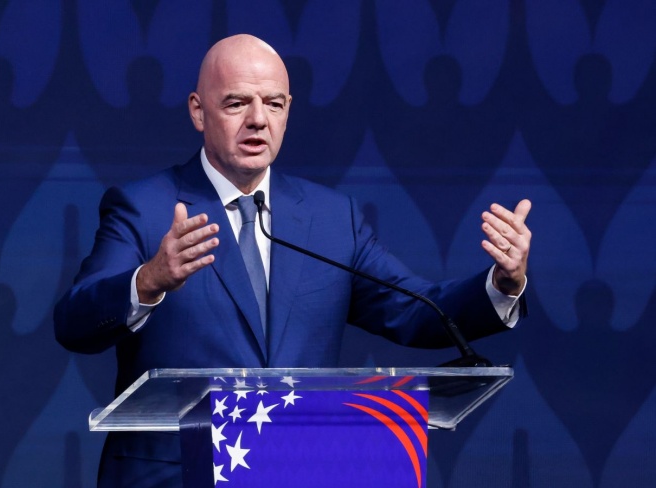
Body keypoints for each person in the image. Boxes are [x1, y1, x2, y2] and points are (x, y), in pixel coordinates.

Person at [54, 34, 531, 488]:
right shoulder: (144, 209)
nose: (258, 120)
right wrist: (148, 281)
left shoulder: (331, 218)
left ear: (288, 112)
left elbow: (417, 310)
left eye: (274, 104)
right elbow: (74, 322)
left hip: (300, 469)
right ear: (198, 111)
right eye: (237, 103)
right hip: (172, 476)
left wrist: (502, 285)